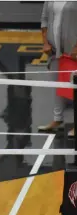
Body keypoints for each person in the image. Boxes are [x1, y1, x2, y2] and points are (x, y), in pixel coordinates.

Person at [37, 1, 77, 137]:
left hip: (73, 50)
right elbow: (44, 19)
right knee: (57, 84)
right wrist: (45, 42)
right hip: (54, 49)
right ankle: (57, 119)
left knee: (75, 87)